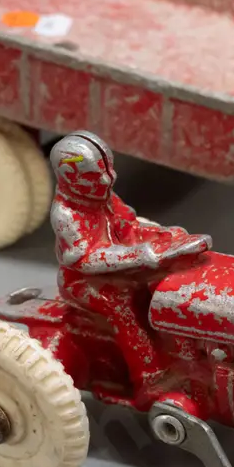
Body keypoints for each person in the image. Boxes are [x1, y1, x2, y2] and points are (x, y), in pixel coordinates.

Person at [48, 130, 212, 397]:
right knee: (122, 304)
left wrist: (166, 236)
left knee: (171, 283)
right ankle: (150, 376)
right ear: (69, 177)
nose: (108, 178)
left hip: (122, 267)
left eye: (108, 169)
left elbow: (130, 225)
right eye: (94, 175)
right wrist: (143, 255)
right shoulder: (66, 213)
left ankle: (184, 353)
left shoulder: (104, 197)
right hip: (83, 282)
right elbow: (83, 258)